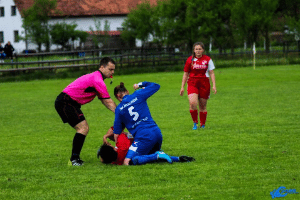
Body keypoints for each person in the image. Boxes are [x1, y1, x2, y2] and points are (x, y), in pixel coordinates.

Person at [55, 57, 117, 166]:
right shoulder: (97, 80)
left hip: (68, 102)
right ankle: (74, 160)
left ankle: (75, 159)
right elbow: (108, 101)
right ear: (102, 67)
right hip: (65, 102)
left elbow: (104, 100)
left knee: (83, 128)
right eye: (110, 69)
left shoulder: (96, 78)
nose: (112, 72)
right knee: (83, 128)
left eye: (113, 70)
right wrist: (120, 113)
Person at [113, 81, 173, 165]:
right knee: (148, 157)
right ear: (127, 91)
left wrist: (117, 148)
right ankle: (177, 158)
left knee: (128, 162)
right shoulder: (138, 94)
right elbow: (156, 86)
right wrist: (139, 85)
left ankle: (157, 155)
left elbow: (116, 134)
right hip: (157, 133)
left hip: (143, 137)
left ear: (118, 96)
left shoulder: (119, 109)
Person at [98, 127, 195, 165]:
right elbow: (116, 129)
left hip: (145, 144)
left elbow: (104, 160)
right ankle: (178, 158)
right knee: (135, 159)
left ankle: (163, 156)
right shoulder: (121, 142)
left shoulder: (116, 162)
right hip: (147, 140)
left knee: (135, 160)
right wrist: (106, 136)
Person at [180, 42, 217, 130]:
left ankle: (202, 124)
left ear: (203, 50)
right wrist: (182, 86)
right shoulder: (190, 60)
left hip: (204, 84)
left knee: (203, 106)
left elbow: (211, 73)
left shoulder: (207, 59)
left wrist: (214, 85)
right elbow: (185, 73)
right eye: (196, 49)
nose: (198, 51)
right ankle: (195, 123)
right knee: (193, 103)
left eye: (200, 49)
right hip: (192, 83)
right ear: (194, 50)